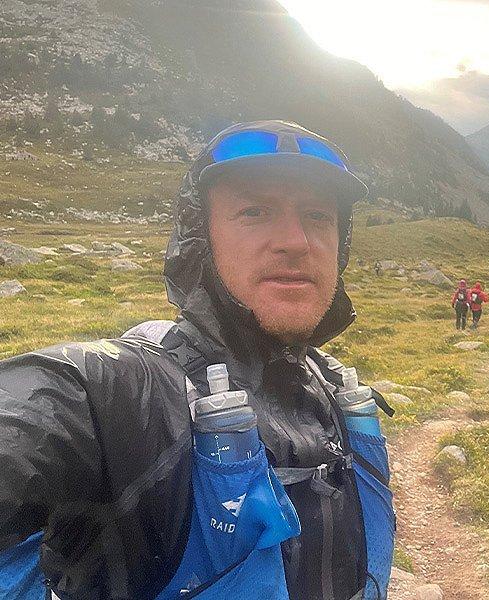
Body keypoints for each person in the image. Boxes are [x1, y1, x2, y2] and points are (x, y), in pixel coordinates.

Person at [0, 121, 395, 600]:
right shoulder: (126, 393)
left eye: (317, 216)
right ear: (198, 239)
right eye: (255, 211)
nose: (297, 240)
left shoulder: (331, 389)